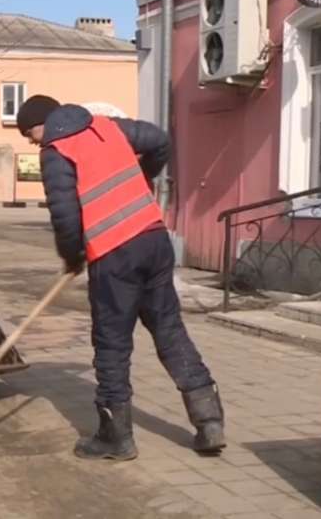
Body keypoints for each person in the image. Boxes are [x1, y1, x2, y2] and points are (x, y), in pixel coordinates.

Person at [17, 95, 225, 461]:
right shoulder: (105, 126)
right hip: (154, 239)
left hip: (115, 253)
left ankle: (116, 437)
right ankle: (209, 421)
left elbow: (64, 215)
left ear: (40, 123)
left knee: (112, 344)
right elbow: (159, 140)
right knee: (169, 329)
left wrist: (72, 255)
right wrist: (142, 179)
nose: (32, 142)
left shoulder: (55, 150)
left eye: (29, 134)